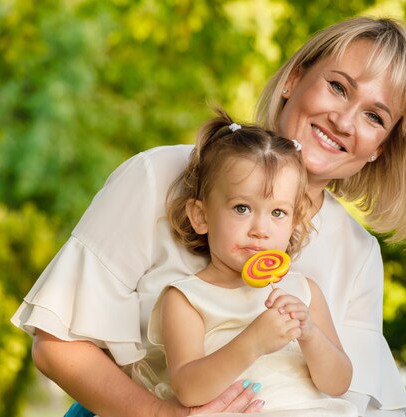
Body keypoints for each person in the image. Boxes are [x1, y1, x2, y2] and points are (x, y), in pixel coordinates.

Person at [12, 15, 406, 417]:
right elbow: (56, 345)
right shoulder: (159, 177)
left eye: (374, 116)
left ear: (381, 146)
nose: (343, 120)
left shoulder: (357, 255)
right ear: (292, 79)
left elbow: (348, 397)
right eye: (338, 87)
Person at [132, 110, 356, 416]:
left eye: (277, 213)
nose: (260, 229)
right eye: (242, 208)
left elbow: (338, 383)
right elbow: (188, 388)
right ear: (201, 216)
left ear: (294, 223)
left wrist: (310, 334)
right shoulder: (187, 299)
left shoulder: (304, 292)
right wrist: (253, 342)